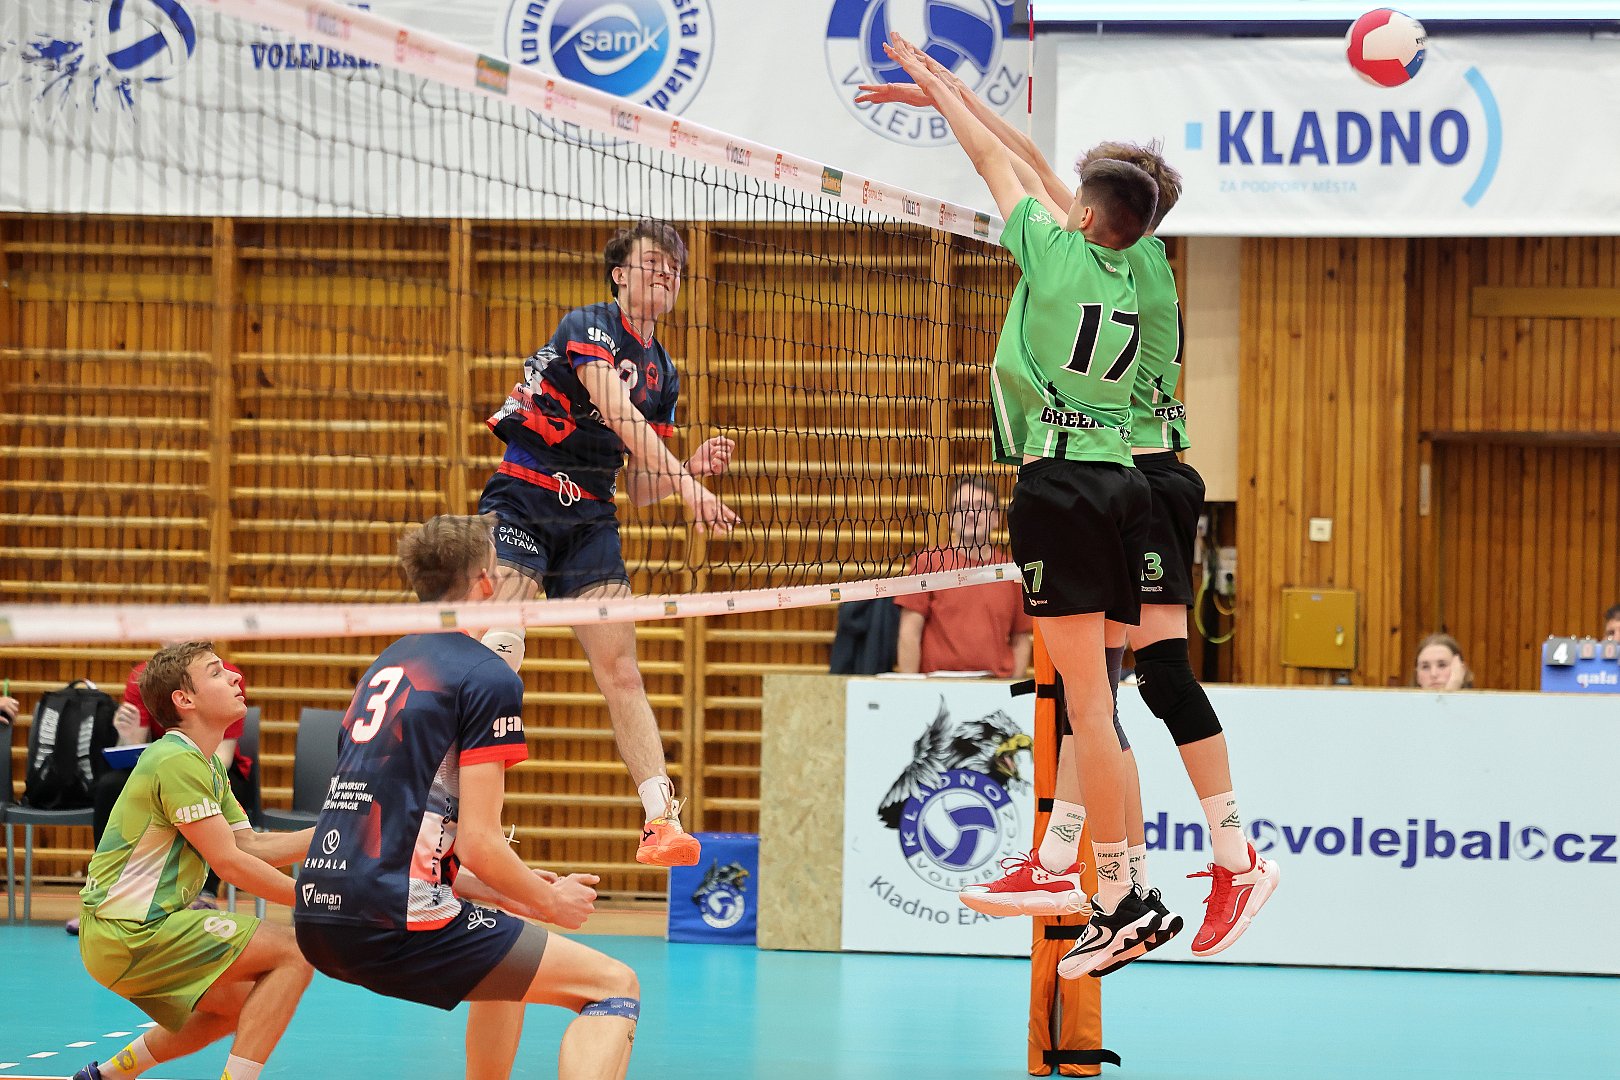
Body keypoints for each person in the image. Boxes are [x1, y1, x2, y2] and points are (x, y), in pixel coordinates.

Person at [876, 34, 1167, 978]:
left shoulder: (1050, 249)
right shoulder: (1136, 270)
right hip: (1122, 485)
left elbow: (994, 163)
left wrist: (939, 88)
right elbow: (1032, 164)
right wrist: (954, 93)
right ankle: (1111, 884)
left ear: (1081, 215)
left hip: (1060, 489)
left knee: (1089, 706)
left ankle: (1120, 899)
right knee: (1099, 701)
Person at [294, 514, 639, 1080]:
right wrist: (551, 903)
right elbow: (479, 842)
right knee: (614, 987)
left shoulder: (387, 663)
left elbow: (400, 822)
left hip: (318, 912)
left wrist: (513, 891)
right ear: (486, 581)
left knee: (506, 954)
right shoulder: (486, 676)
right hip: (395, 917)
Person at [478, 220, 739, 867]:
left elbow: (643, 487)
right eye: (652, 262)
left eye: (674, 268)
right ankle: (461, 812)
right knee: (500, 647)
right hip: (524, 494)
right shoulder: (589, 325)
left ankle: (661, 821)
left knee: (622, 671)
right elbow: (617, 413)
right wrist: (689, 487)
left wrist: (687, 471)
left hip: (591, 518)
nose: (665, 274)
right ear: (619, 274)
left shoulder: (663, 373)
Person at [72, 643, 314, 1080]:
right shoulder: (175, 761)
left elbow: (250, 847)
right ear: (184, 700)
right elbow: (230, 866)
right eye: (217, 673)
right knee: (296, 952)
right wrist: (316, 901)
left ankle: (106, 1076)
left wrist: (339, 835)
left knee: (241, 1005)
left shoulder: (206, 765)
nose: (236, 677)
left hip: (122, 935)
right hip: (130, 931)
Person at [895, 475, 1033, 678]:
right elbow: (909, 631)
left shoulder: (1012, 571)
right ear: (951, 517)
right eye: (962, 507)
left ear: (996, 517)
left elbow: (1021, 639)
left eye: (980, 506)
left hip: (993, 685)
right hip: (940, 685)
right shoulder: (928, 562)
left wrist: (1009, 690)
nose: (970, 514)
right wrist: (913, 688)